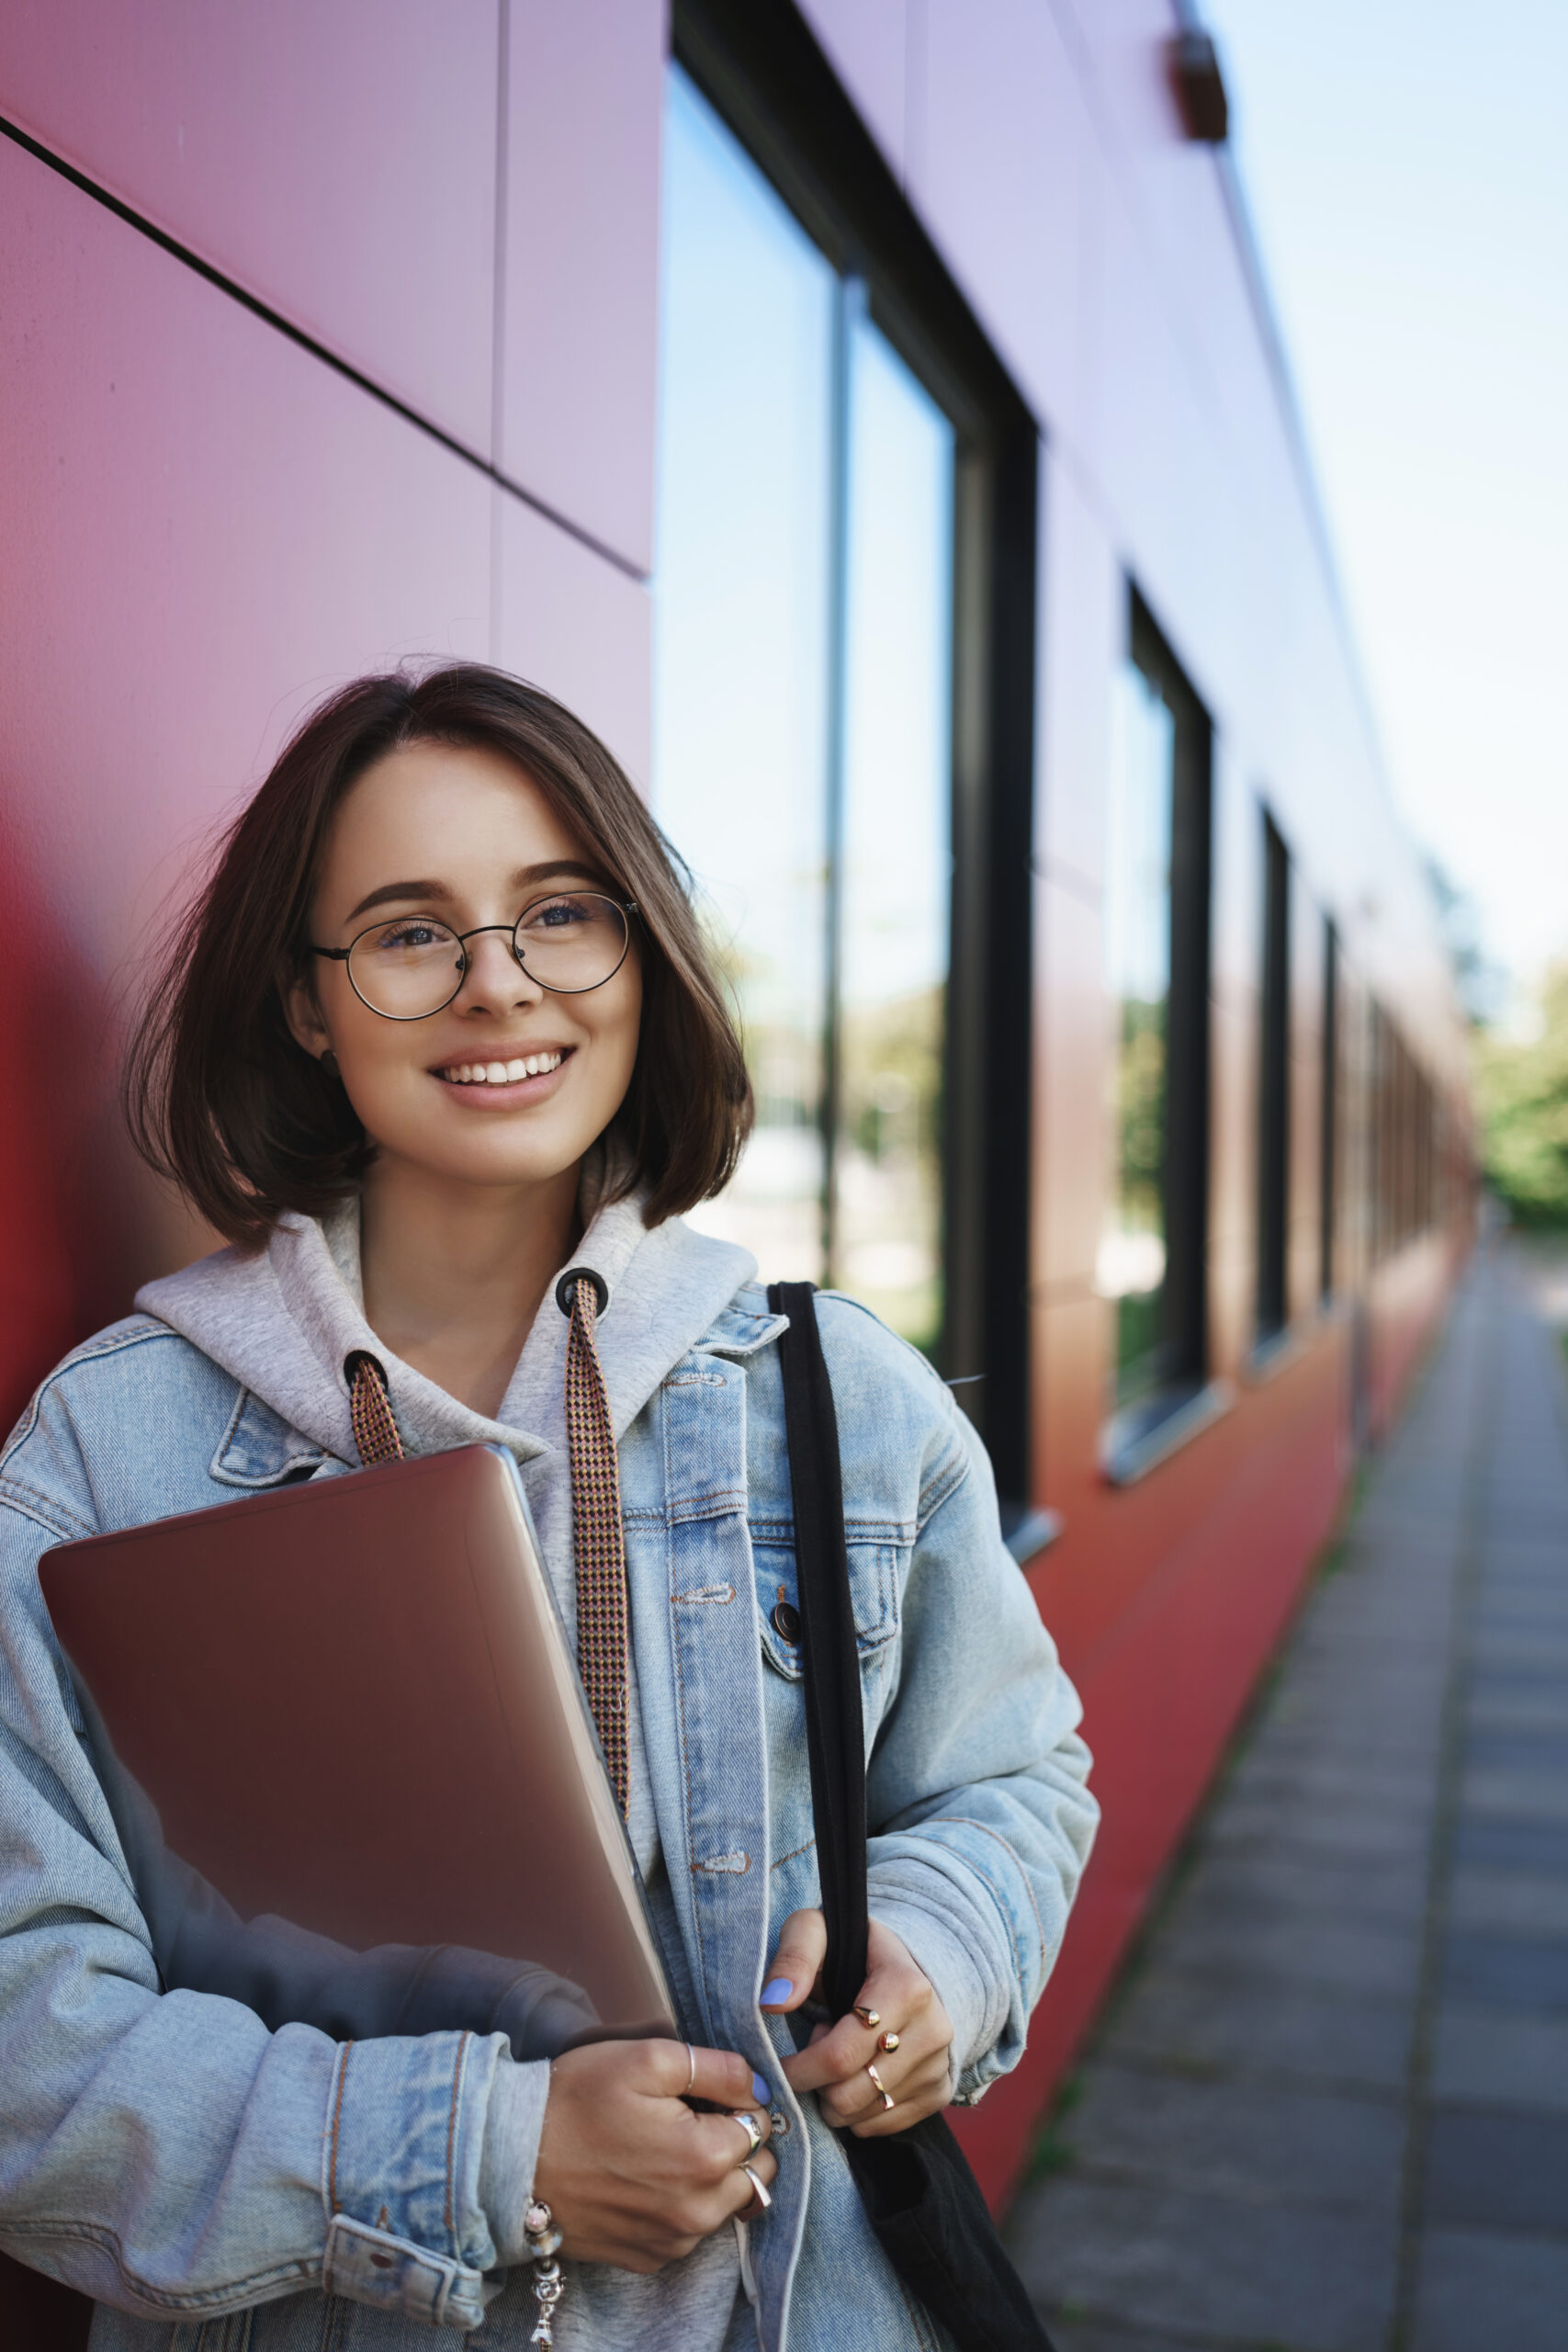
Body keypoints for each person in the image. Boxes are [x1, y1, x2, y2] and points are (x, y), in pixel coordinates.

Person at [0, 664, 1097, 2350]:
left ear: (639, 954)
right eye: (409, 930)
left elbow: (1013, 1778)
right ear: (308, 1002)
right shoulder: (105, 1457)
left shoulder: (841, 1396)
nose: (498, 988)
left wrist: (942, 1956)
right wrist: (487, 2155)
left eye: (560, 913)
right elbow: (27, 2035)